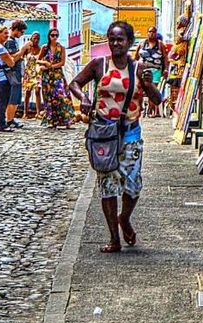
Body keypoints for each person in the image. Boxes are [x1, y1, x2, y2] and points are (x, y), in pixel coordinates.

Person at [70, 20, 162, 252]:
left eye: (120, 39)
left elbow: (157, 99)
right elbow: (75, 83)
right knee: (108, 186)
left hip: (130, 133)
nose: (115, 43)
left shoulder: (138, 69)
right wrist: (83, 97)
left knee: (133, 185)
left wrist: (149, 86)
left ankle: (125, 218)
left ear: (130, 42)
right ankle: (114, 238)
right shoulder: (99, 65)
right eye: (112, 39)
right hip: (104, 134)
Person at [0, 25, 29, 132]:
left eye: (7, 33)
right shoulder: (0, 48)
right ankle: (1, 124)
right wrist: (21, 51)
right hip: (3, 76)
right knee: (2, 102)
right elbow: (11, 62)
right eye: (5, 33)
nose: (7, 36)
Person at [38, 29, 75, 129]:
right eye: (52, 35)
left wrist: (51, 66)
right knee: (48, 97)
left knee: (62, 97)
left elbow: (62, 62)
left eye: (56, 35)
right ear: (49, 36)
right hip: (47, 76)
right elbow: (38, 59)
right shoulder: (44, 48)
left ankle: (67, 120)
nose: (54, 37)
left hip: (57, 75)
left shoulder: (61, 48)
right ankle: (52, 120)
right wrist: (45, 63)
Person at [135, 25, 168, 118]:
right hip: (142, 69)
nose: (151, 34)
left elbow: (165, 57)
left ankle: (151, 109)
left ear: (156, 33)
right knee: (139, 89)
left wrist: (165, 69)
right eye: (150, 32)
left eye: (153, 32)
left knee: (152, 90)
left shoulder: (160, 44)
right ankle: (141, 109)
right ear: (147, 33)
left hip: (155, 70)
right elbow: (136, 57)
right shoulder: (142, 44)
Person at [5, 19, 28, 129]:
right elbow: (13, 58)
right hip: (13, 73)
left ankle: (11, 118)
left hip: (17, 73)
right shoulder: (10, 42)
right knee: (13, 97)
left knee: (16, 97)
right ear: (16, 30)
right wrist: (23, 49)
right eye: (21, 32)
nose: (22, 34)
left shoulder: (13, 41)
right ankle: (9, 119)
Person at [22, 32, 43, 120]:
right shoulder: (27, 48)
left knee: (38, 91)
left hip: (37, 72)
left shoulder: (40, 49)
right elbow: (21, 57)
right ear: (31, 38)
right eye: (34, 38)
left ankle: (38, 113)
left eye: (37, 38)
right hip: (29, 72)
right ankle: (25, 112)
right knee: (28, 92)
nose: (36, 40)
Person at [166, 31, 188, 113]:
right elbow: (170, 57)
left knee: (178, 90)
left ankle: (177, 107)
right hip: (174, 71)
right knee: (174, 90)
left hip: (180, 71)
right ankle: (174, 107)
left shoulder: (183, 45)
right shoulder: (176, 46)